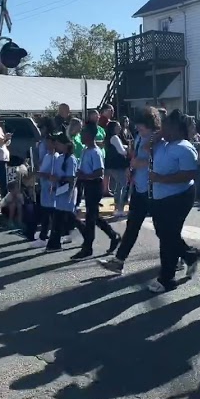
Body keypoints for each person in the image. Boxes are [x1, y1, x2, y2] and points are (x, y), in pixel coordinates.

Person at [99, 108, 160, 274]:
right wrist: (131, 166)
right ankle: (119, 261)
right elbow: (134, 155)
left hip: (153, 190)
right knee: (132, 226)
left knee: (163, 229)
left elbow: (155, 159)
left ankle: (185, 255)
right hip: (139, 187)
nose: (139, 129)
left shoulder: (157, 138)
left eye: (142, 126)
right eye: (138, 126)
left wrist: (139, 163)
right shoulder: (140, 137)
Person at [147, 110, 200, 293]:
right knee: (164, 233)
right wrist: (157, 137)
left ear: (177, 129)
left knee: (168, 237)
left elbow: (189, 174)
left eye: (167, 126)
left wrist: (161, 178)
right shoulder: (162, 144)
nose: (163, 129)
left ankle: (167, 278)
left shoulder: (184, 147)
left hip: (179, 196)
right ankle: (189, 255)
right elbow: (145, 148)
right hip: (160, 196)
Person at [73, 120, 120, 259]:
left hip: (94, 185)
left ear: (90, 135)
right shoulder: (84, 150)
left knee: (90, 217)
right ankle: (113, 236)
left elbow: (99, 172)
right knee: (93, 215)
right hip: (87, 185)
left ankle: (87, 247)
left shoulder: (95, 152)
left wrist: (85, 175)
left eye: (83, 132)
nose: (81, 134)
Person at [45, 133, 79, 253]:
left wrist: (59, 179)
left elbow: (71, 178)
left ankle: (54, 243)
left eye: (59, 143)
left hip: (68, 191)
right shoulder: (59, 158)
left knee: (66, 216)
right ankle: (54, 243)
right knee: (62, 216)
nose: (57, 145)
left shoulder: (71, 159)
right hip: (59, 191)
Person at [27, 134, 57, 248]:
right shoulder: (47, 156)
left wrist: (40, 174)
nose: (47, 145)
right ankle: (45, 236)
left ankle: (44, 237)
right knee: (46, 213)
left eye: (49, 142)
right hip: (44, 187)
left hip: (51, 189)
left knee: (48, 214)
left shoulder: (55, 157)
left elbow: (53, 175)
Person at [106, 120, 131, 218]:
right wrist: (128, 149)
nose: (120, 128)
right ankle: (120, 208)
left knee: (117, 186)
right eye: (118, 126)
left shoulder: (110, 138)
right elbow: (122, 151)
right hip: (118, 165)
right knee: (123, 186)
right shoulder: (115, 137)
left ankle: (117, 207)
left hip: (112, 165)